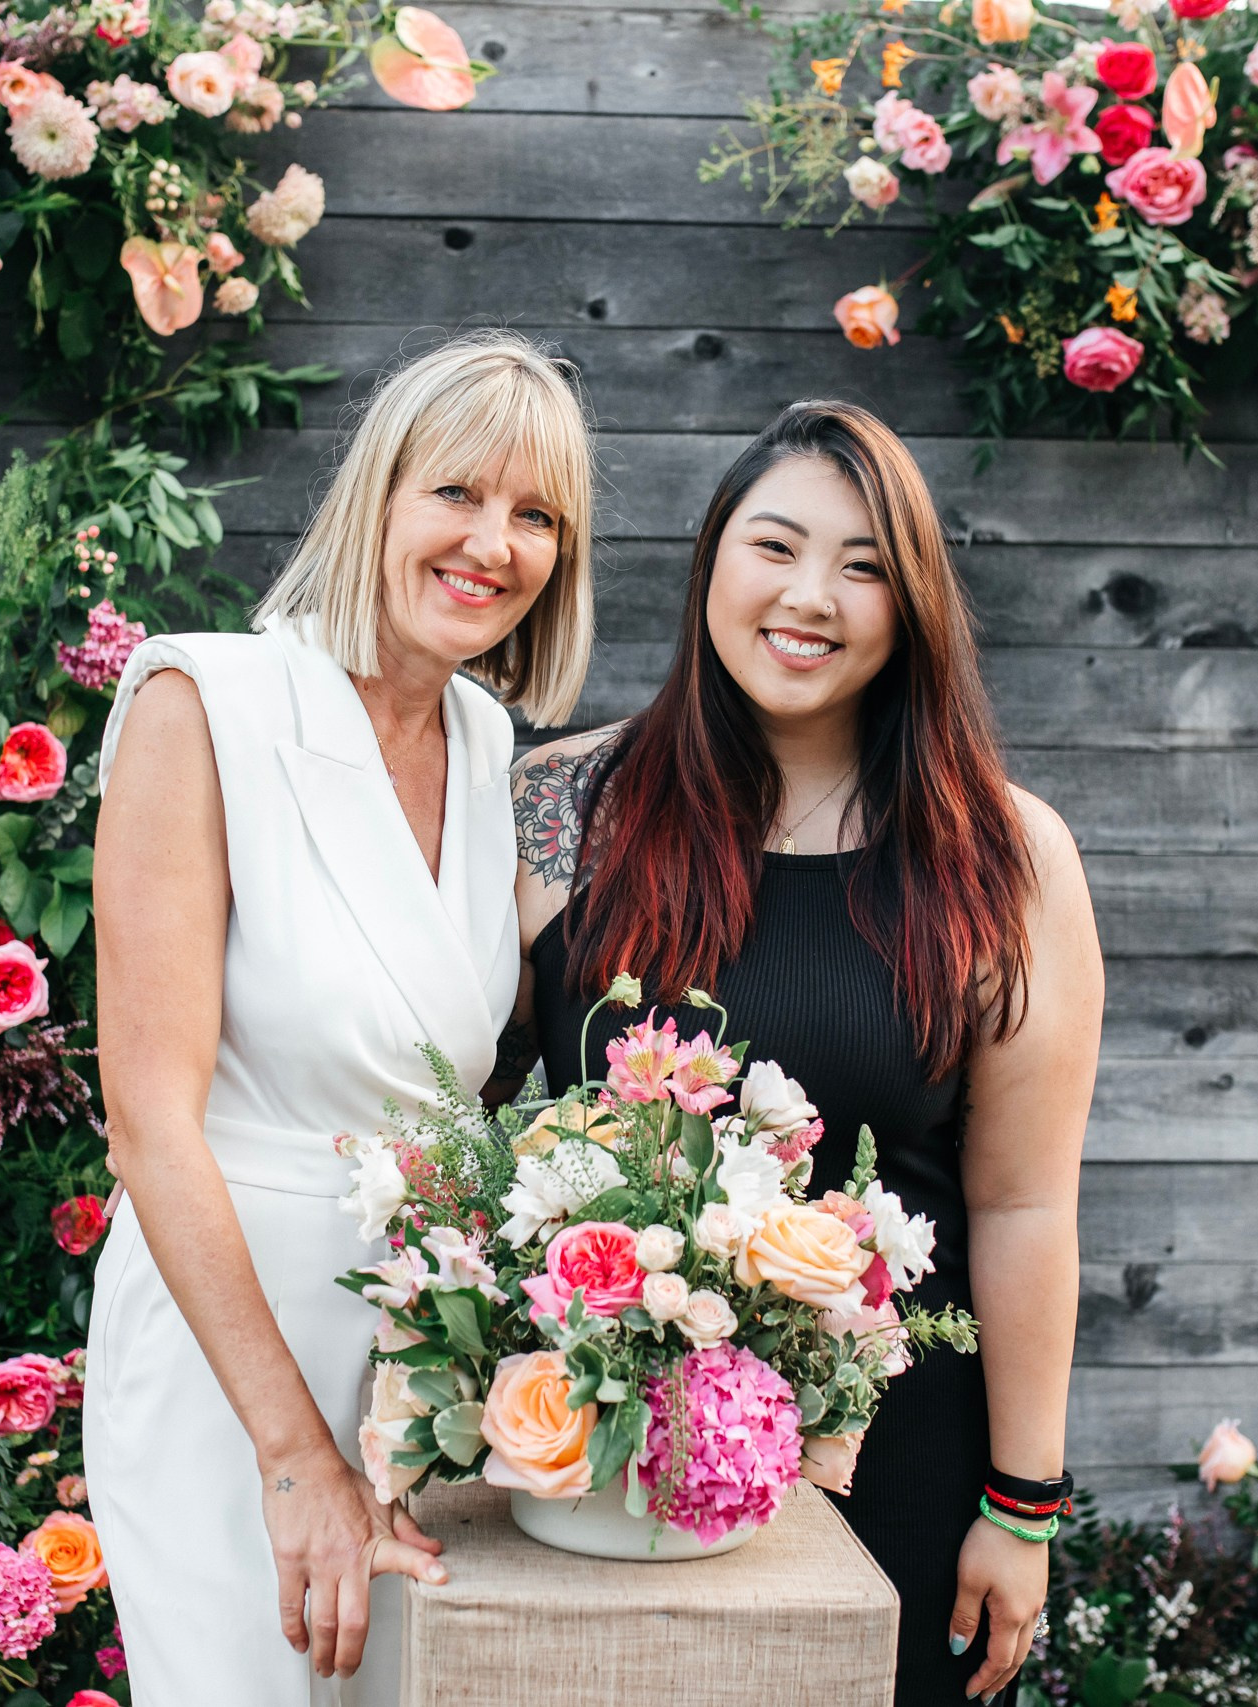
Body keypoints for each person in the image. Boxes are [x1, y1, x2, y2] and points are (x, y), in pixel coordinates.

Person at [500, 400, 1099, 1706]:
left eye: (863, 566)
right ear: (713, 557)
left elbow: (1024, 1202)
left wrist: (1023, 1504)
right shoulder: (560, 811)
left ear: (911, 605)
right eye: (775, 546)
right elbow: (454, 1122)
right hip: (605, 1470)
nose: (810, 596)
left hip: (897, 1469)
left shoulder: (1006, 858)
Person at [86, 332, 595, 1705]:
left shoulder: (489, 747)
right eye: (458, 494)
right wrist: (296, 1458)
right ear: (378, 494)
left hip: (416, 1358)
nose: (492, 544)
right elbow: (149, 1125)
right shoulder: (205, 701)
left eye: (536, 515)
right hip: (230, 1351)